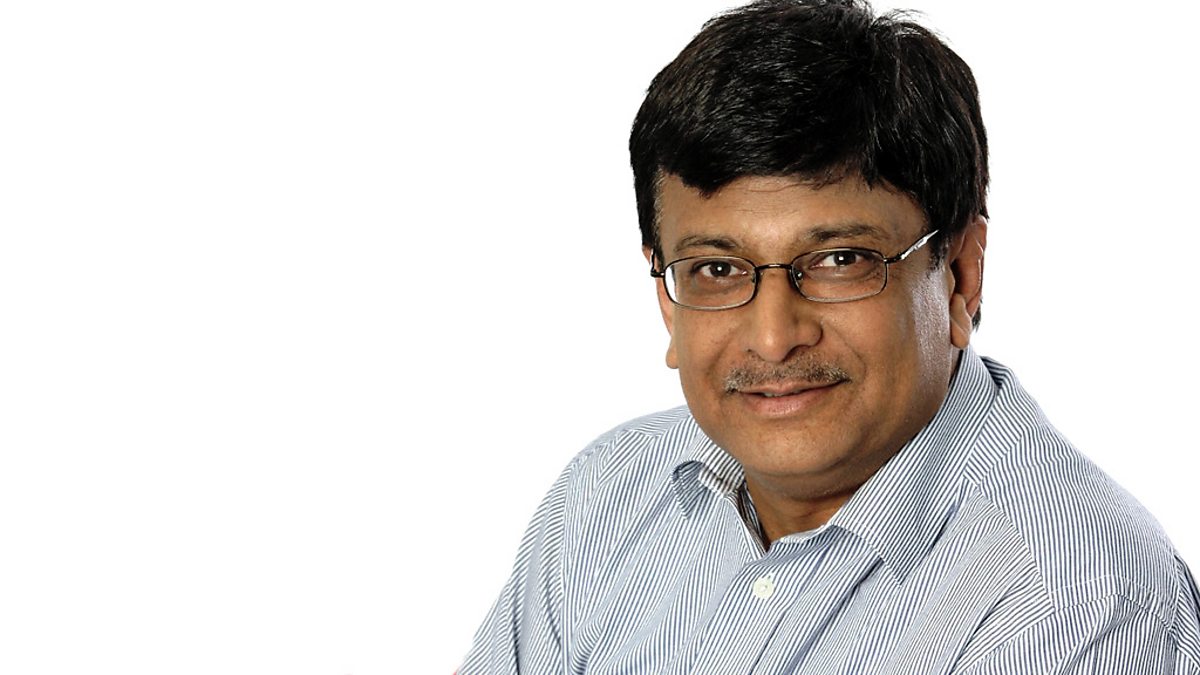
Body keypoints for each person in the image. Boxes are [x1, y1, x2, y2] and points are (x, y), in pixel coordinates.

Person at [459, 0, 1200, 672]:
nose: (773, 337)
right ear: (667, 299)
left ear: (960, 275)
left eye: (840, 260)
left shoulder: (1073, 602)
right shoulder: (603, 499)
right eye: (717, 269)